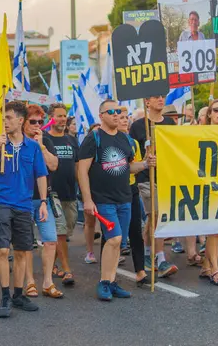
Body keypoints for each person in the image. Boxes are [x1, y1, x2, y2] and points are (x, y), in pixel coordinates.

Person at [78, 100, 155, 301]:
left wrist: (146, 163)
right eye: (111, 111)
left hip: (125, 198)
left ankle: (111, 282)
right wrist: (87, 199)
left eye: (119, 111)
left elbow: (127, 167)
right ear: (101, 115)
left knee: (119, 242)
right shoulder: (93, 138)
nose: (116, 114)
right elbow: (82, 171)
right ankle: (104, 282)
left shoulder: (125, 140)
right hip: (103, 199)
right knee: (113, 239)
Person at [0, 101, 48, 318]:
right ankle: (4, 296)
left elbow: (40, 175)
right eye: (4, 118)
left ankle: (18, 295)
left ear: (20, 121)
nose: (5, 122)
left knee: (22, 252)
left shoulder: (33, 147)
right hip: (1, 203)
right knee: (2, 250)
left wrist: (44, 202)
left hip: (24, 205)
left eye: (8, 118)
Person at [129, 95, 178, 277]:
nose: (160, 99)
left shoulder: (171, 125)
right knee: (156, 215)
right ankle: (161, 259)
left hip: (165, 177)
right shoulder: (137, 126)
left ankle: (147, 254)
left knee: (153, 218)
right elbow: (132, 154)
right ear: (147, 102)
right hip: (145, 177)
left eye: (162, 97)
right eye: (156, 97)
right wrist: (144, 160)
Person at [23, 104, 66, 298]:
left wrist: (40, 146)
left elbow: (54, 165)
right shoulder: (17, 141)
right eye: (33, 121)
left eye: (40, 122)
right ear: (23, 122)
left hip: (42, 200)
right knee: (25, 244)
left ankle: (48, 282)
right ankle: (30, 282)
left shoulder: (45, 140)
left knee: (50, 240)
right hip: (22, 200)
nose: (37, 125)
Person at [46, 103, 79, 287]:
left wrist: (83, 189)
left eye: (64, 115)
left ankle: (51, 264)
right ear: (50, 118)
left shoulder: (72, 140)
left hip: (70, 193)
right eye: (58, 116)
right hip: (53, 193)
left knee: (67, 230)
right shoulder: (44, 139)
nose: (62, 119)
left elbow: (76, 166)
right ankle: (67, 269)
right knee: (60, 232)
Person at [117, 107, 148, 285]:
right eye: (120, 117)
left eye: (125, 118)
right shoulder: (108, 140)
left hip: (131, 188)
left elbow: (134, 166)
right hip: (113, 192)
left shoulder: (133, 143)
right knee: (114, 234)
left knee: (135, 230)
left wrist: (145, 163)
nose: (123, 120)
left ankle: (140, 270)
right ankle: (108, 271)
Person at [200, 99, 218, 285]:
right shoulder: (196, 133)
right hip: (203, 187)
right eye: (216, 110)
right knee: (214, 230)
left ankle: (206, 265)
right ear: (209, 114)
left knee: (215, 229)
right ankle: (215, 270)